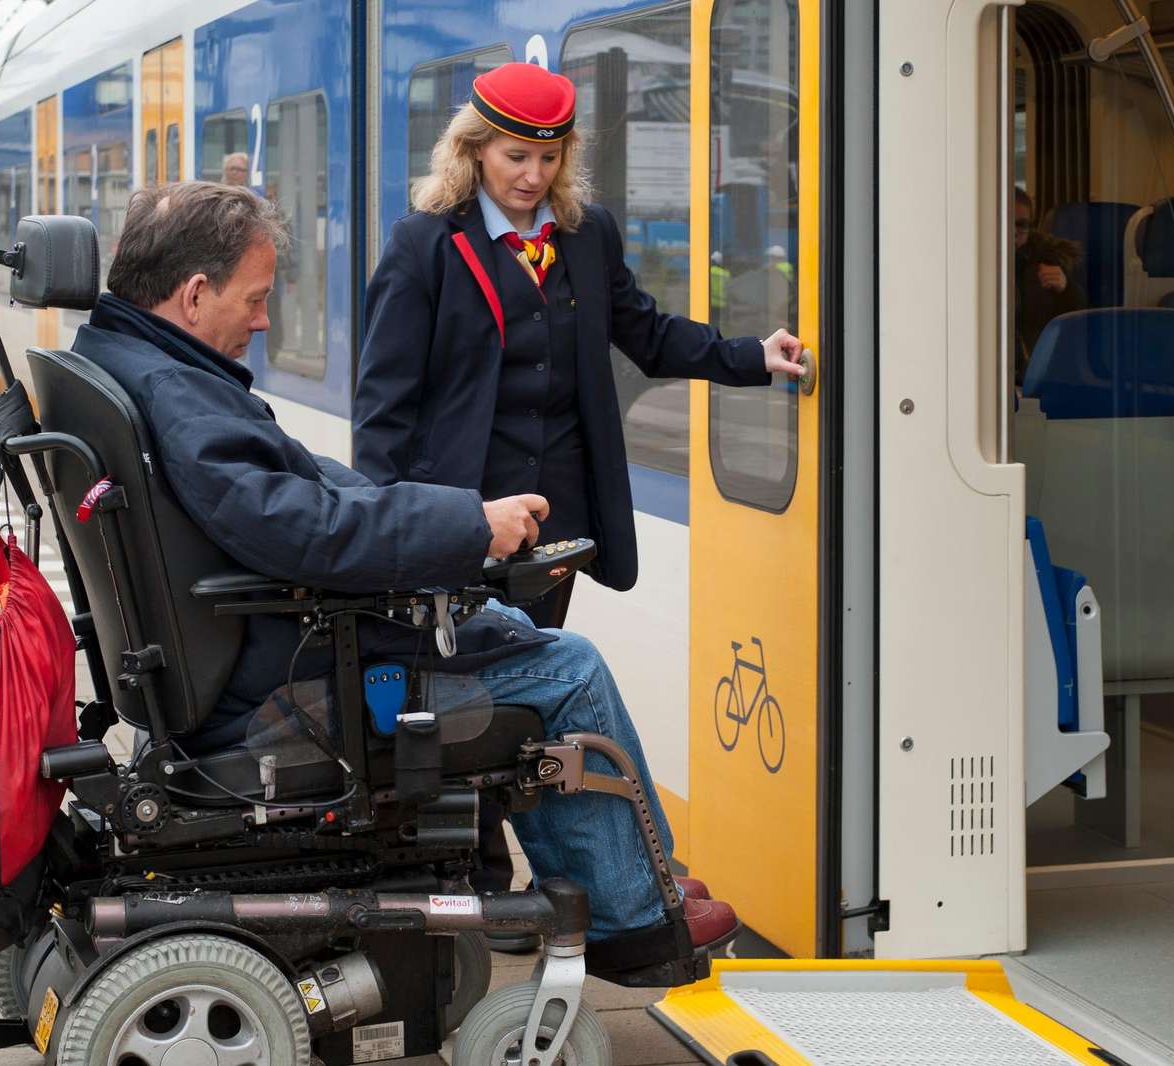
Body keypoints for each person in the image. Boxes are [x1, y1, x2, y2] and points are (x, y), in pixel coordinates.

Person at [67, 180, 735, 957]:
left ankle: (620, 871)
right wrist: (466, 523)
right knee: (569, 669)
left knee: (512, 629)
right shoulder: (178, 393)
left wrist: (439, 515)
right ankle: (633, 920)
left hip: (241, 653)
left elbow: (291, 481)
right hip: (276, 681)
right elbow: (294, 527)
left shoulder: (134, 361)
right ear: (192, 294)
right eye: (255, 299)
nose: (263, 318)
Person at [354, 62, 806, 631]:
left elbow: (648, 333)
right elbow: (383, 399)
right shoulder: (424, 243)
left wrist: (749, 355)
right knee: (462, 684)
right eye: (515, 157)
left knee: (537, 664)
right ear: (474, 149)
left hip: (557, 515)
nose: (534, 175)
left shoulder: (587, 234)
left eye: (550, 157)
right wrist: (381, 528)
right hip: (466, 509)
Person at [1013, 186, 1086, 378]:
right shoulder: (973, 267)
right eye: (1004, 222)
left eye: (1021, 225)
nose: (1013, 232)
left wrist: (1066, 289)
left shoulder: (1046, 261)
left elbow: (1079, 324)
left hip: (1038, 368)